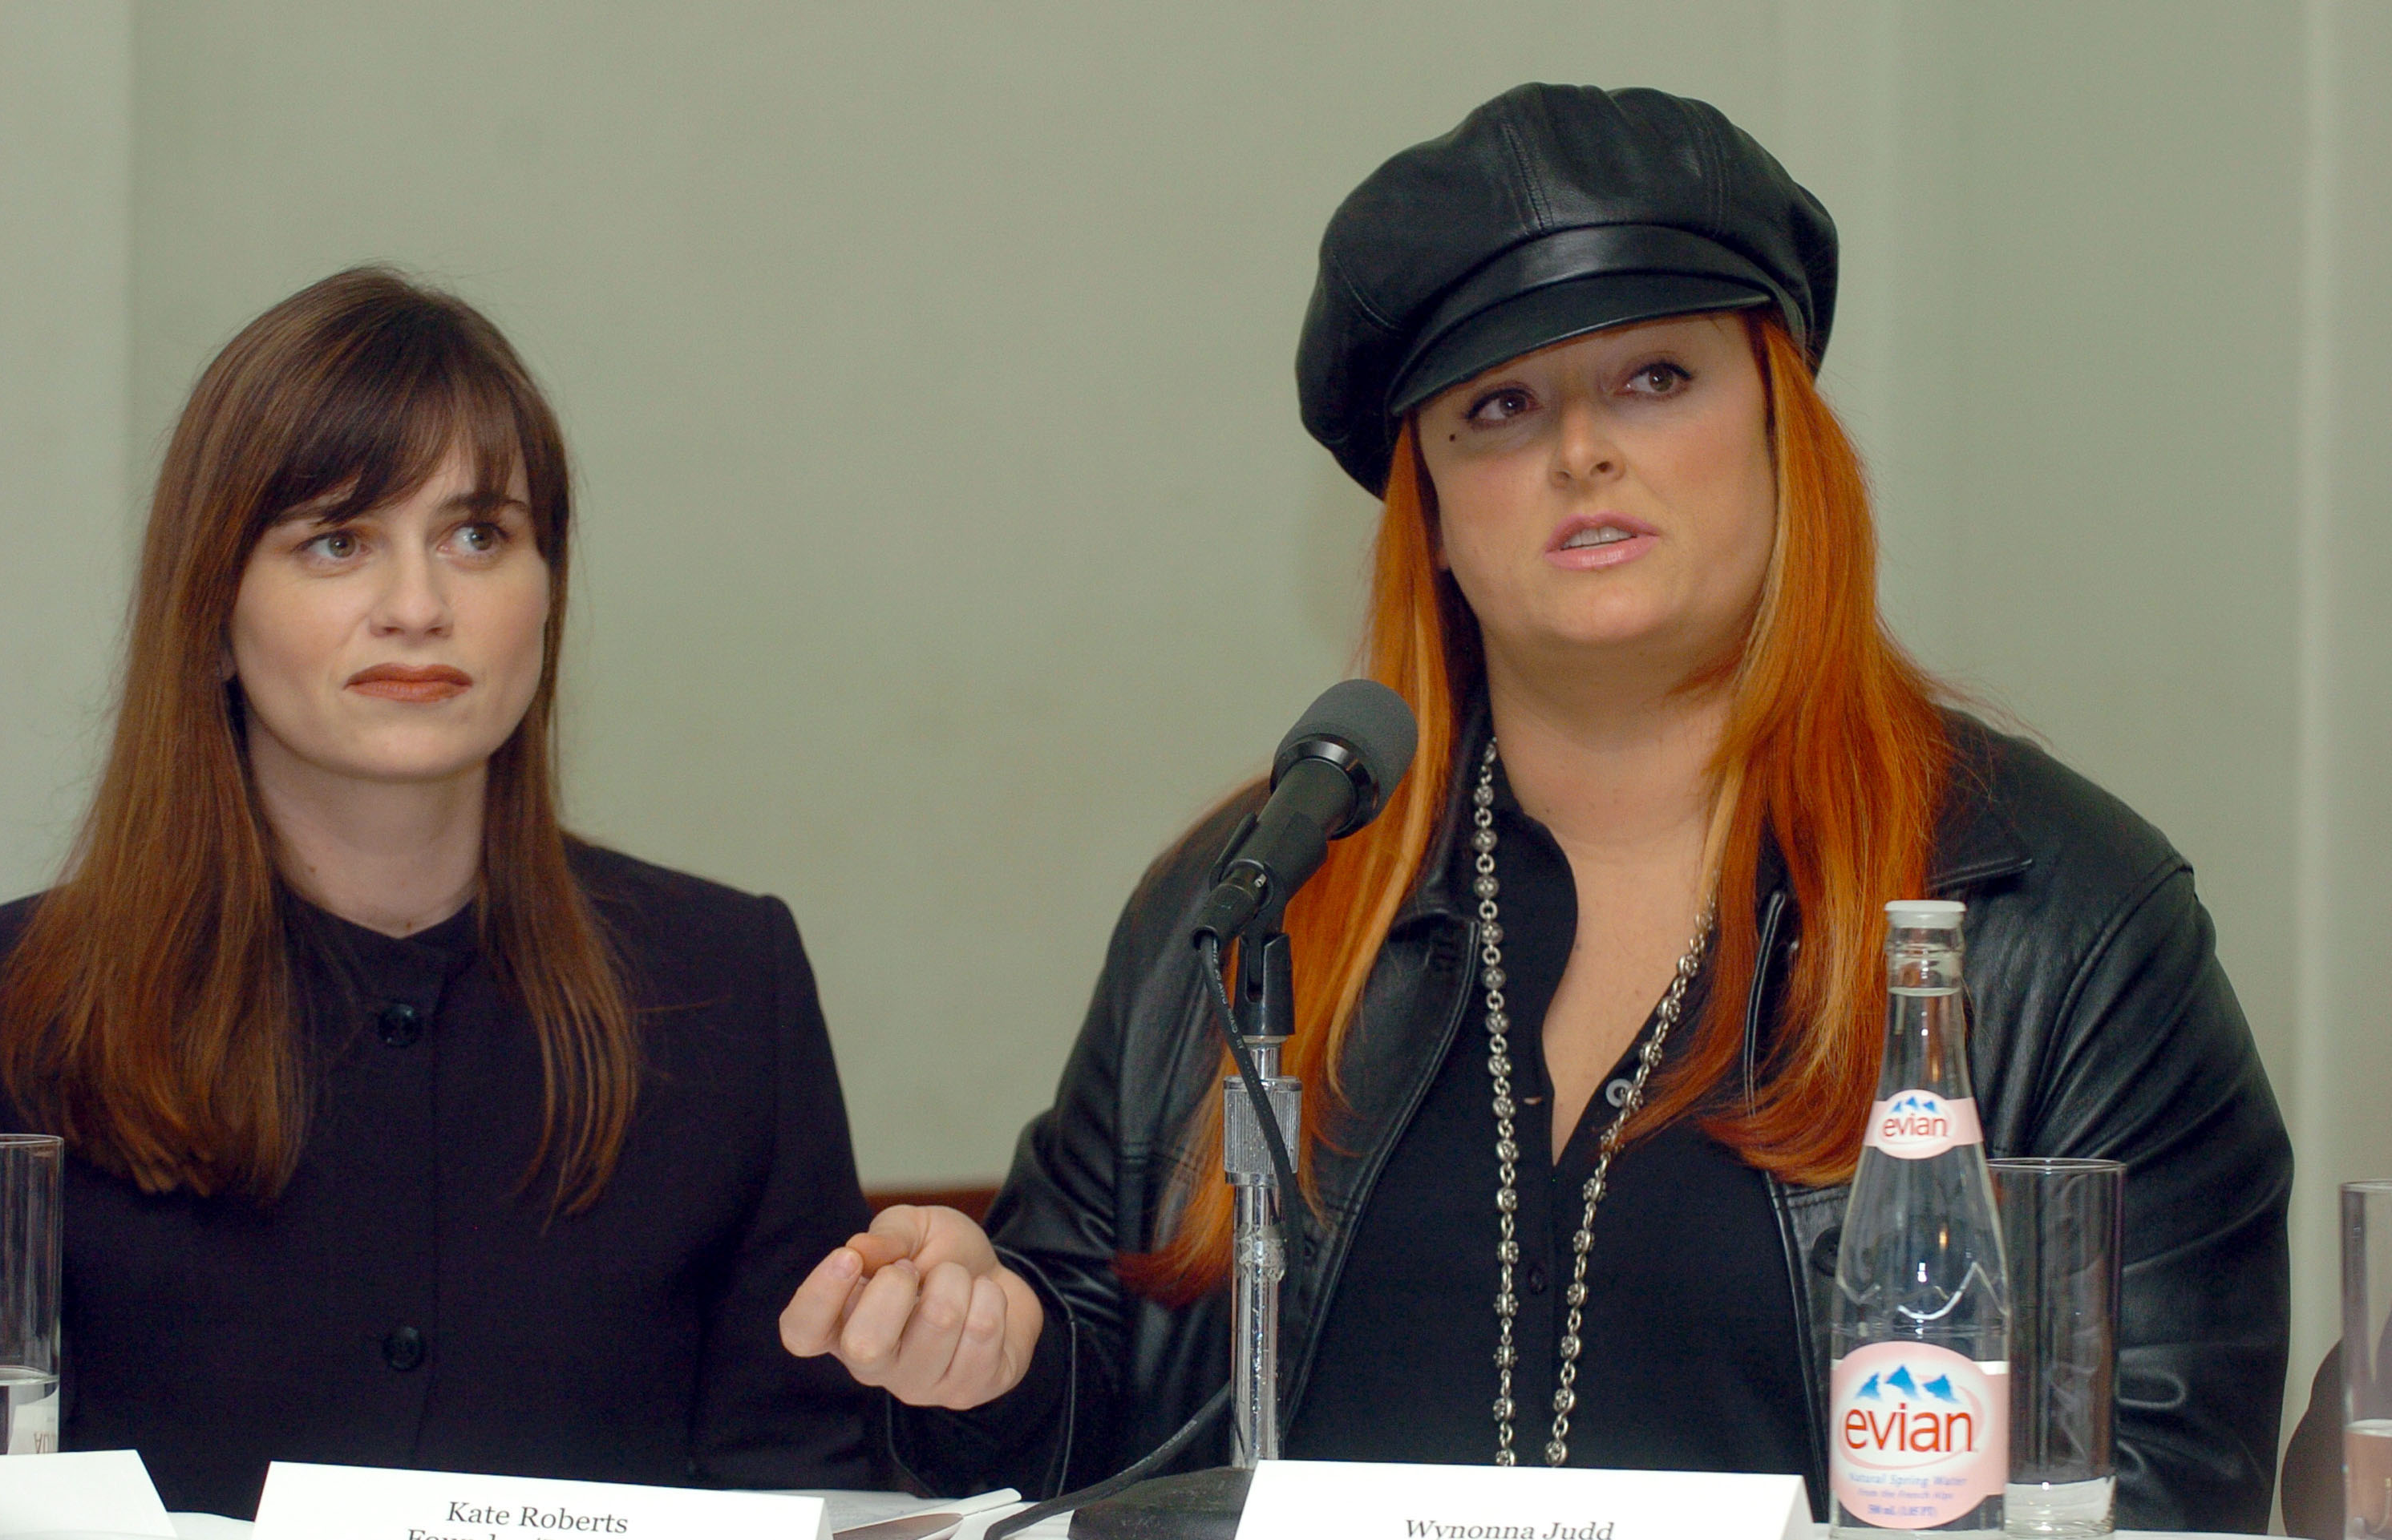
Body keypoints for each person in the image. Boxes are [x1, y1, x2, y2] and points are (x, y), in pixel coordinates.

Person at [782, 84, 2292, 1529]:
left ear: (1783, 432)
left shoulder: (2055, 912)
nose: (1582, 450)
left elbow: (2159, 1481)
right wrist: (987, 1346)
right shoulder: (1252, 893)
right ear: (1429, 510)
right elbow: (1103, 1409)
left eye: (1657, 377)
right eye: (1498, 406)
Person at [0, 268, 880, 1516]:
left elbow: (806, 1480)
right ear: (210, 605)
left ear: (549, 589)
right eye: (338, 540)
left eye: (477, 535)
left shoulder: (728, 981)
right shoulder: (14, 1002)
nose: (418, 607)